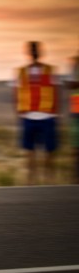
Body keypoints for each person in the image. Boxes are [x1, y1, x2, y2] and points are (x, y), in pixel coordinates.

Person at [14, 41, 59, 185]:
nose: (34, 53)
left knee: (49, 153)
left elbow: (57, 91)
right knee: (29, 153)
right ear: (28, 53)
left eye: (36, 50)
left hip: (47, 116)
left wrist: (56, 113)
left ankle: (49, 182)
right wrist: (19, 113)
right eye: (31, 50)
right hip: (28, 116)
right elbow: (15, 92)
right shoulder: (21, 72)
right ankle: (31, 184)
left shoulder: (50, 70)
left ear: (40, 52)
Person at [65, 48, 79, 184]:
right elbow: (71, 84)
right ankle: (75, 182)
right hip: (77, 113)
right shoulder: (76, 64)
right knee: (76, 149)